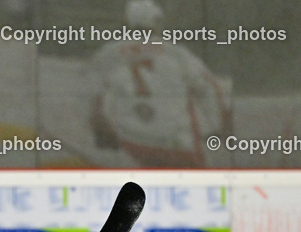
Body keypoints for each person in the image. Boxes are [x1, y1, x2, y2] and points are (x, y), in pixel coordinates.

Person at [89, 0, 230, 167]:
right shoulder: (176, 54)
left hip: (131, 144)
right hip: (175, 144)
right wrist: (219, 126)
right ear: (155, 23)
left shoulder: (107, 54)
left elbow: (94, 98)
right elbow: (210, 89)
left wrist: (99, 128)